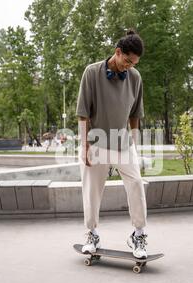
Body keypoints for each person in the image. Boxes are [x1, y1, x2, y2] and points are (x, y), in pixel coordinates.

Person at [76, 29, 148, 258]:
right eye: (127, 60)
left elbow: (135, 114)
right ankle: (92, 233)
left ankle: (138, 235)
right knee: (92, 191)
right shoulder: (91, 73)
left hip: (123, 144)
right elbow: (83, 114)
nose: (130, 66)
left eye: (134, 63)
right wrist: (85, 146)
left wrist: (135, 143)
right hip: (95, 142)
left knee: (136, 183)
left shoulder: (135, 77)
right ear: (117, 52)